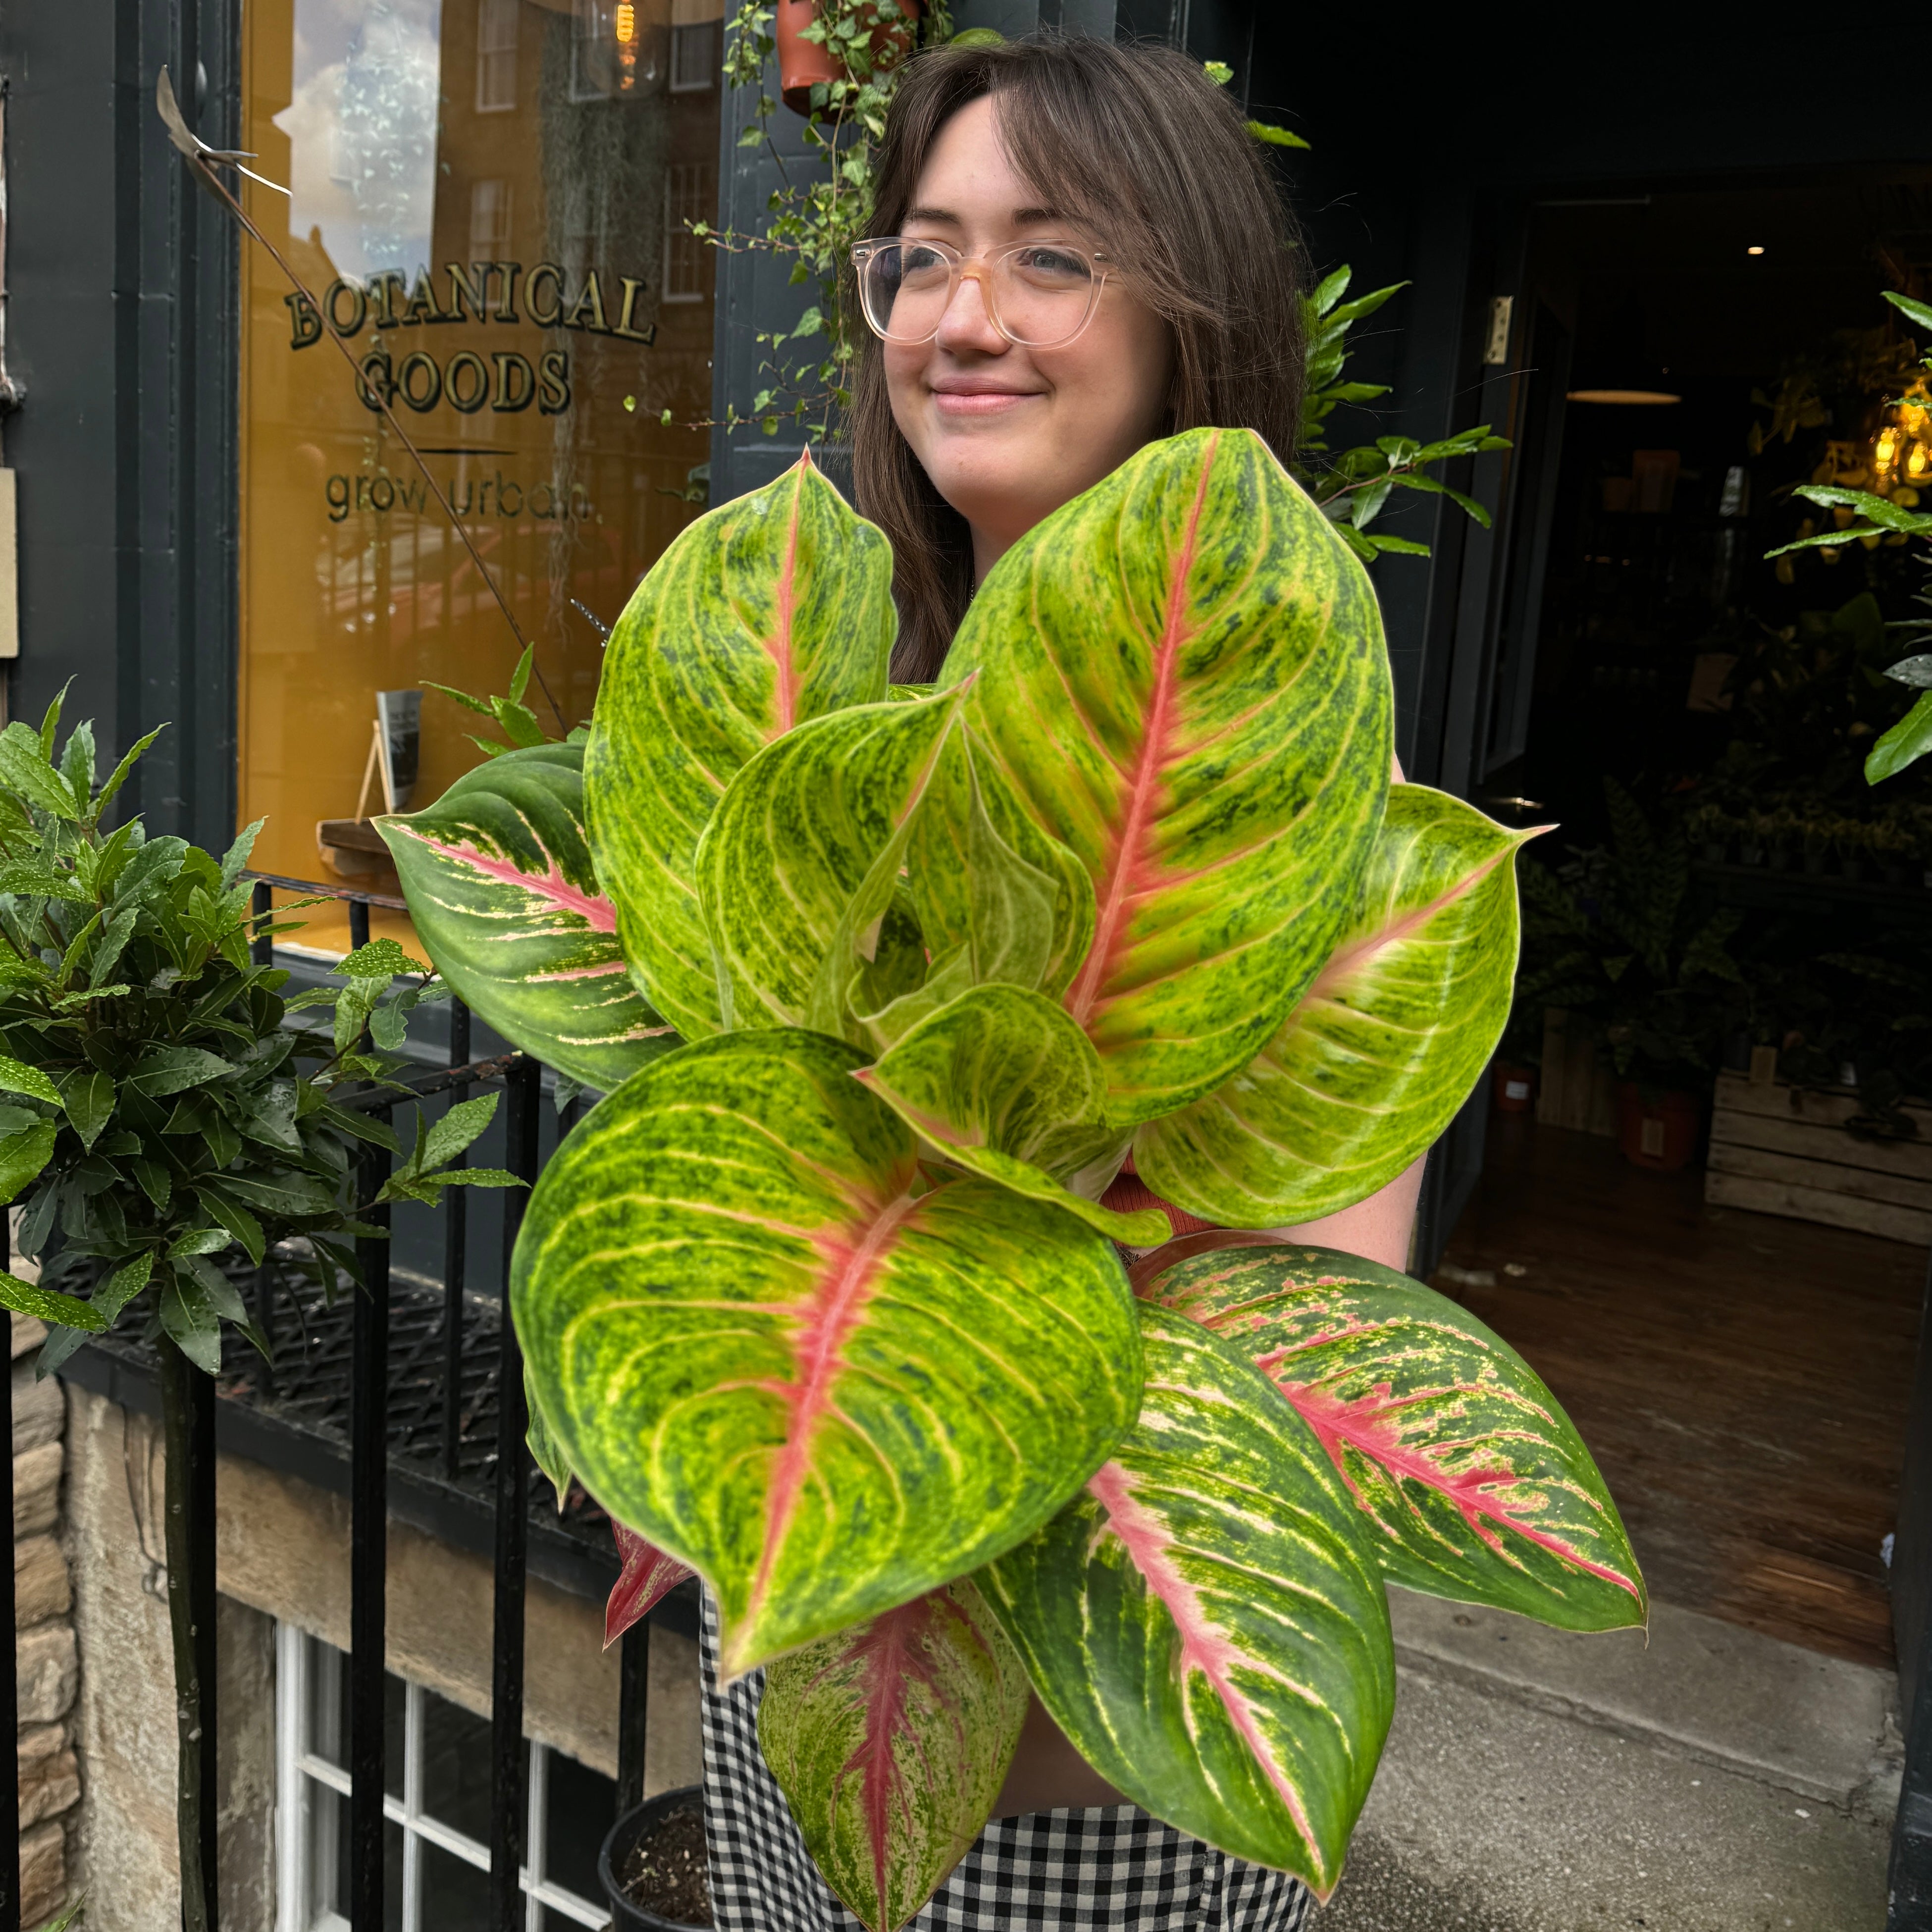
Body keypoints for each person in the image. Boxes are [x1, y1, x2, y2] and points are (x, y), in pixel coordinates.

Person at [699, 33, 1420, 1931]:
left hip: (1097, 1776)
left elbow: (1303, 1368)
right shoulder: (850, 721)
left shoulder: (1287, 799)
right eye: (920, 256)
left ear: (1190, 307)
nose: (963, 316)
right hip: (810, 1709)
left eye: (1051, 253)